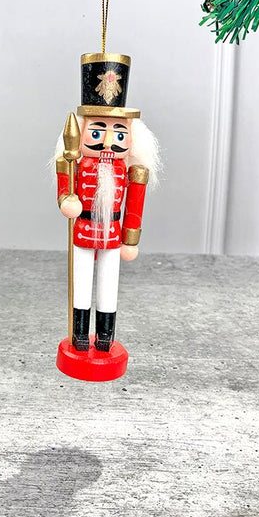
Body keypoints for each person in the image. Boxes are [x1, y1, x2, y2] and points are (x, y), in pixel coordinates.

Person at [55, 53, 160, 352]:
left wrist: (130, 240)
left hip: (113, 234)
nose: (108, 142)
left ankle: (105, 335)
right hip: (83, 231)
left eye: (119, 133)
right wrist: (67, 201)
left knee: (108, 285)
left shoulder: (131, 171)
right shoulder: (73, 165)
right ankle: (79, 333)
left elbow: (135, 207)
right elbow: (64, 192)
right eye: (97, 131)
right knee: (81, 283)